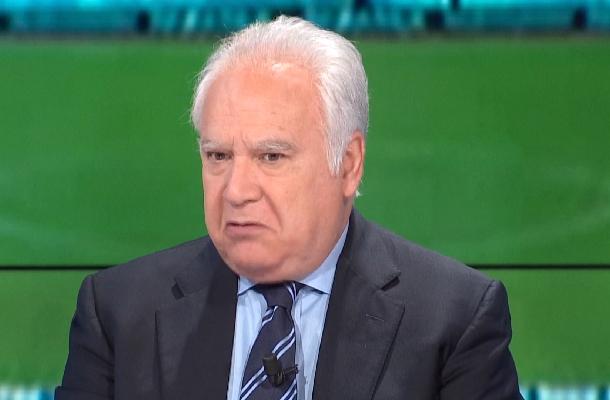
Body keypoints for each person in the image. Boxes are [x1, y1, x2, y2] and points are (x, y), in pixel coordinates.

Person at [56, 16, 522, 400]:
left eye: (271, 157)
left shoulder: (453, 322)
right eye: (218, 156)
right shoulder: (117, 314)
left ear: (349, 163)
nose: (236, 190)